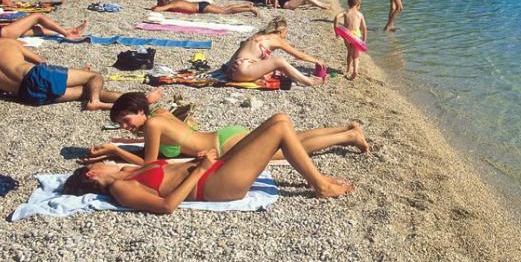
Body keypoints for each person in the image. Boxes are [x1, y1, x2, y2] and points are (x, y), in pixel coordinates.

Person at [63, 113, 354, 211]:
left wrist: (198, 161)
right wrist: (199, 171)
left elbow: (162, 167)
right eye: (97, 165)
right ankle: (320, 185)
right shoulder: (121, 189)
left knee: (280, 120)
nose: (105, 164)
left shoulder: (127, 173)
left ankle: (320, 177)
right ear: (91, 175)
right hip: (213, 185)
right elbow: (166, 206)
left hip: (212, 167)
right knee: (279, 129)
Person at [83, 91, 369, 165]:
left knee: (287, 151)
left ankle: (347, 136)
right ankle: (345, 129)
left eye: (126, 120)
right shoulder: (159, 114)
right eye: (121, 124)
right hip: (224, 136)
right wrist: (115, 147)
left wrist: (115, 151)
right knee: (292, 139)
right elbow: (157, 147)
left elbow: (149, 163)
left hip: (224, 146)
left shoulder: (153, 125)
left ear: (139, 111)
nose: (125, 126)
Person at [0, 29, 122, 110]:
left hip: (25, 95)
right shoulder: (4, 42)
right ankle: (95, 101)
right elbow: (41, 61)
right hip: (37, 75)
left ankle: (130, 99)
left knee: (85, 91)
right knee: (94, 77)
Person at [227, 17, 327, 86]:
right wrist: (316, 61)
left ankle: (258, 77)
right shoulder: (276, 38)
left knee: (273, 68)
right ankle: (309, 82)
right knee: (279, 61)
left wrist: (228, 70)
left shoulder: (257, 36)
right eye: (286, 32)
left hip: (233, 71)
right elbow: (299, 56)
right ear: (281, 31)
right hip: (244, 71)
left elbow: (238, 52)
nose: (286, 35)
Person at [0, 16, 86, 42]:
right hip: (3, 33)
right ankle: (66, 33)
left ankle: (70, 30)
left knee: (33, 30)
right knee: (37, 17)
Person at [334, 0, 367, 79]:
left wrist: (336, 30)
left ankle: (348, 69)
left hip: (347, 35)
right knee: (356, 56)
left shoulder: (345, 12)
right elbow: (364, 28)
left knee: (349, 52)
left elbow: (336, 17)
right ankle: (355, 71)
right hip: (356, 37)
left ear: (348, 3)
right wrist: (364, 40)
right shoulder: (360, 14)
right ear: (358, 4)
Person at [150, 0, 259, 17]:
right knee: (225, 8)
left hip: (201, 8)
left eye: (159, 1)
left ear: (164, 0)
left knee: (225, 11)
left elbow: (158, 9)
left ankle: (249, 9)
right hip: (201, 5)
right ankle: (245, 4)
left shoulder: (171, 4)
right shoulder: (173, 1)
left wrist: (154, 8)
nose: (158, 3)